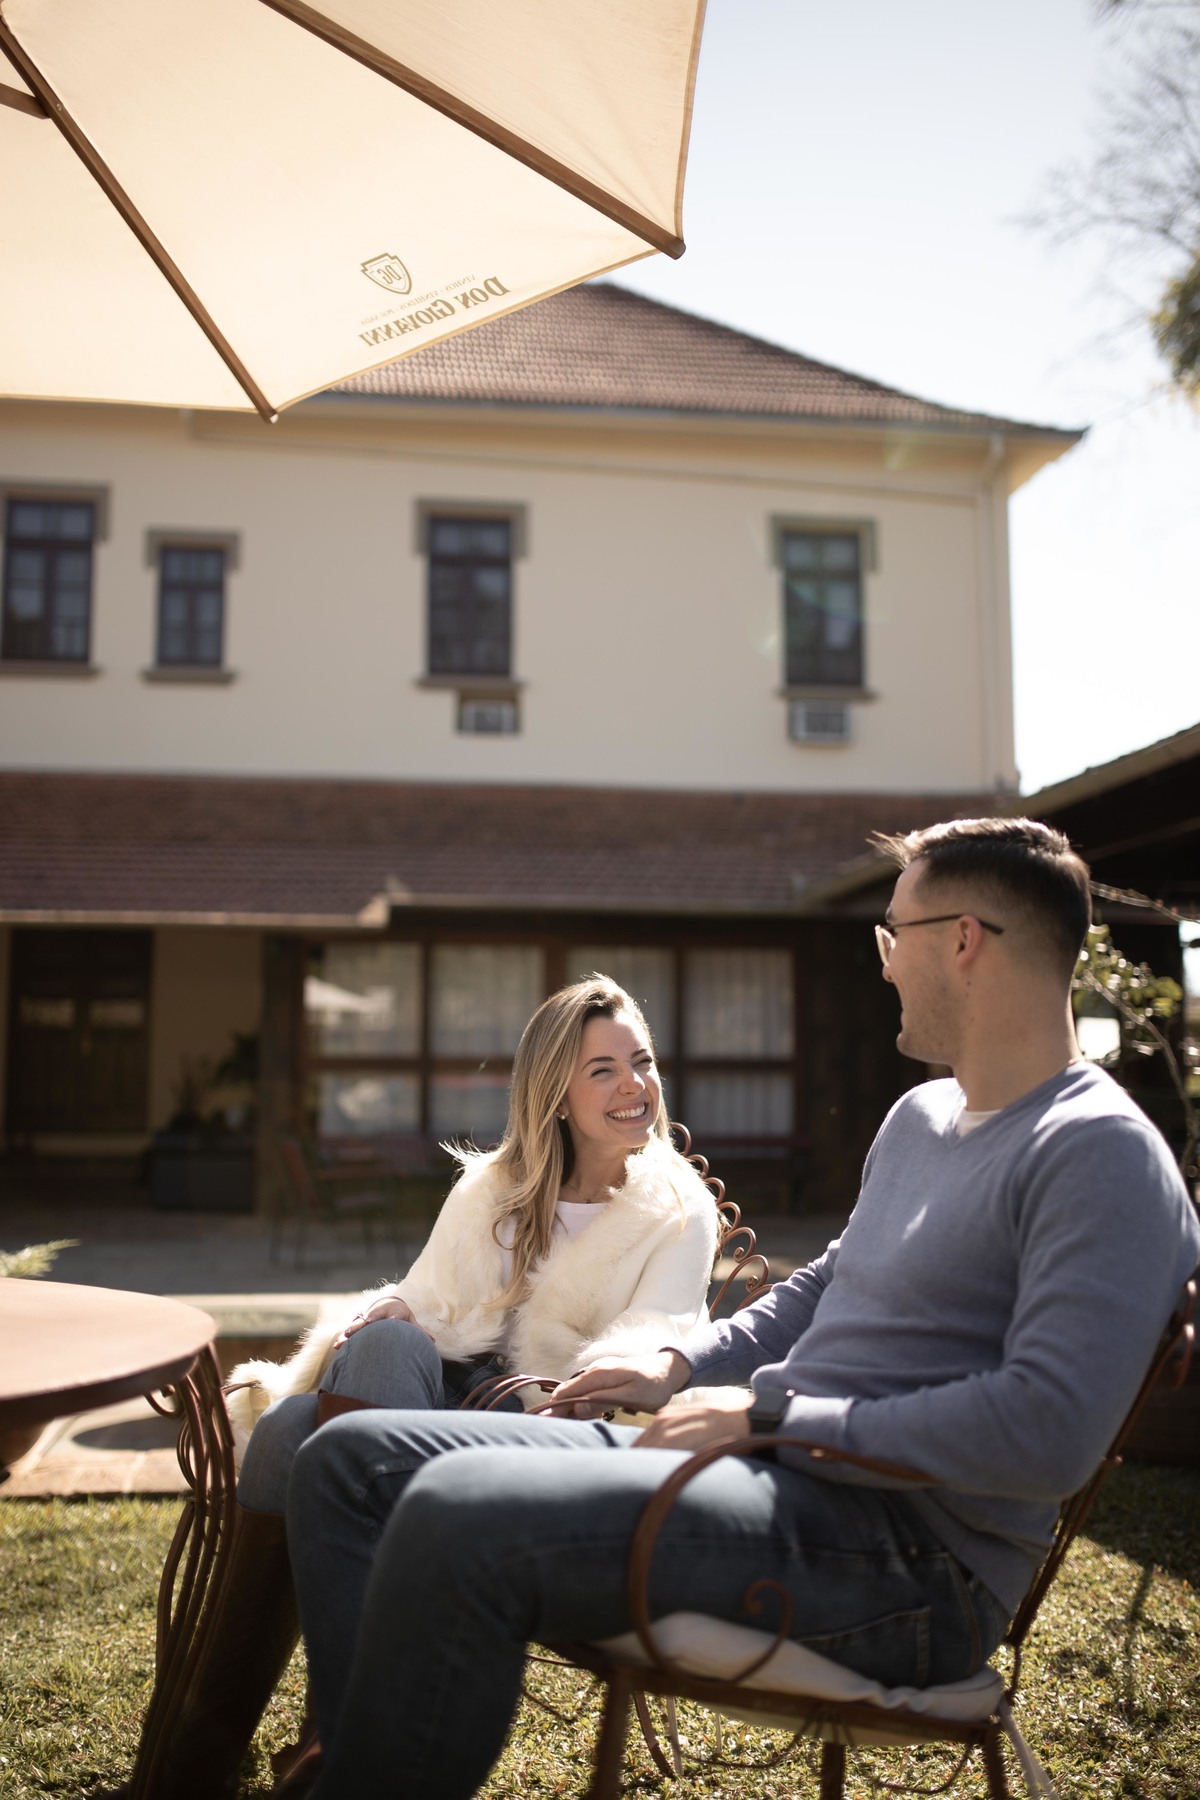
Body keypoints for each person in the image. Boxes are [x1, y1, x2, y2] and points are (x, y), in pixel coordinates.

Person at [285, 818, 1200, 1800]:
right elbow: (823, 1285)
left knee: (451, 1518)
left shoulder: (1096, 1152)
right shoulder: (924, 1118)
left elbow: (1048, 1431)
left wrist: (770, 1415)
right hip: (766, 1474)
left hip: (906, 1558)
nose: (884, 966)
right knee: (350, 1463)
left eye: (892, 937)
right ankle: (349, 1761)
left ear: (964, 941)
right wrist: (681, 1368)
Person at [158, 974, 718, 1800]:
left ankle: (230, 1750)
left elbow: (656, 1339)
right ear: (555, 1091)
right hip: (433, 1394)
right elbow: (428, 1302)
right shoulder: (493, 1188)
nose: (634, 1085)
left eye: (640, 1061)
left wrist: (569, 1384)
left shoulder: (677, 1208)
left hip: (540, 1422)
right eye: (602, 1069)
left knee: (285, 1438)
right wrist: (394, 1308)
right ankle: (332, 1736)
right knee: (384, 1345)